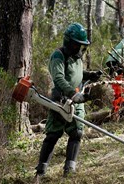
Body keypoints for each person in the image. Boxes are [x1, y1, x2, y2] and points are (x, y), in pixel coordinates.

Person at [34, 22, 102, 179]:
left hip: (76, 101)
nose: (80, 49)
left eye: (82, 46)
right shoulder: (58, 56)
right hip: (61, 101)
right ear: (70, 43)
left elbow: (76, 73)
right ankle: (40, 172)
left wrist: (89, 75)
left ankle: (69, 171)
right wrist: (72, 94)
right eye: (78, 45)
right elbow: (58, 77)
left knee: (77, 133)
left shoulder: (76, 57)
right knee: (53, 135)